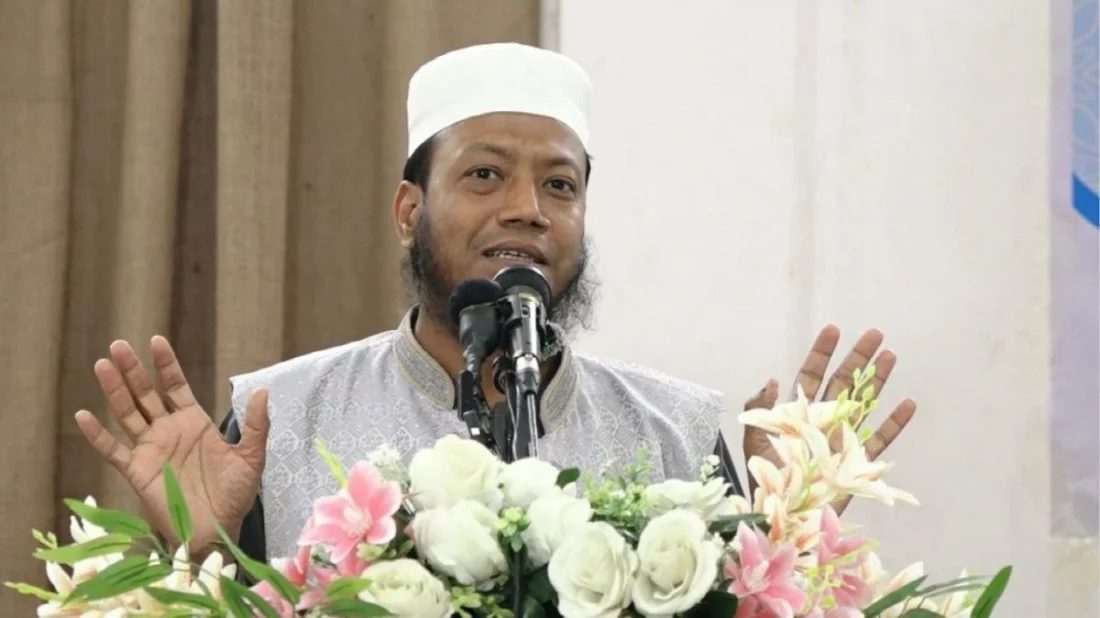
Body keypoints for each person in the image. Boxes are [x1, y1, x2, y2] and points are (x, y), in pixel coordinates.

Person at [74, 43, 916, 565]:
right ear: (409, 211)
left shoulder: (679, 432)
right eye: (485, 175)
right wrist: (201, 555)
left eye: (560, 185)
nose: (527, 209)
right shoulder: (281, 416)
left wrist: (782, 536)